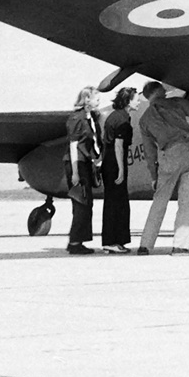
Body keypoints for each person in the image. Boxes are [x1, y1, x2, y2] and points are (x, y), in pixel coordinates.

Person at [137, 81, 189, 256]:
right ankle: (180, 246)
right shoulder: (176, 103)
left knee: (159, 202)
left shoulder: (144, 120)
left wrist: (153, 176)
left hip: (168, 156)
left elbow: (150, 153)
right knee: (186, 202)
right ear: (159, 91)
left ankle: (145, 245)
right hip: (188, 151)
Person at [99, 86, 138, 254]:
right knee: (117, 203)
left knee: (114, 202)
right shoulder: (121, 119)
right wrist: (121, 170)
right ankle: (112, 241)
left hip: (109, 161)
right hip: (115, 162)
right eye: (136, 98)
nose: (138, 101)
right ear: (128, 101)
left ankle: (112, 240)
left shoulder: (115, 116)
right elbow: (118, 145)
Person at [64, 86, 101, 255]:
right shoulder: (76, 118)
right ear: (87, 99)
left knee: (86, 203)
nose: (98, 101)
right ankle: (74, 242)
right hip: (77, 163)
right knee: (81, 203)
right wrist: (75, 172)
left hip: (84, 162)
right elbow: (73, 145)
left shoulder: (89, 118)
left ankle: (78, 240)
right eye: (96, 98)